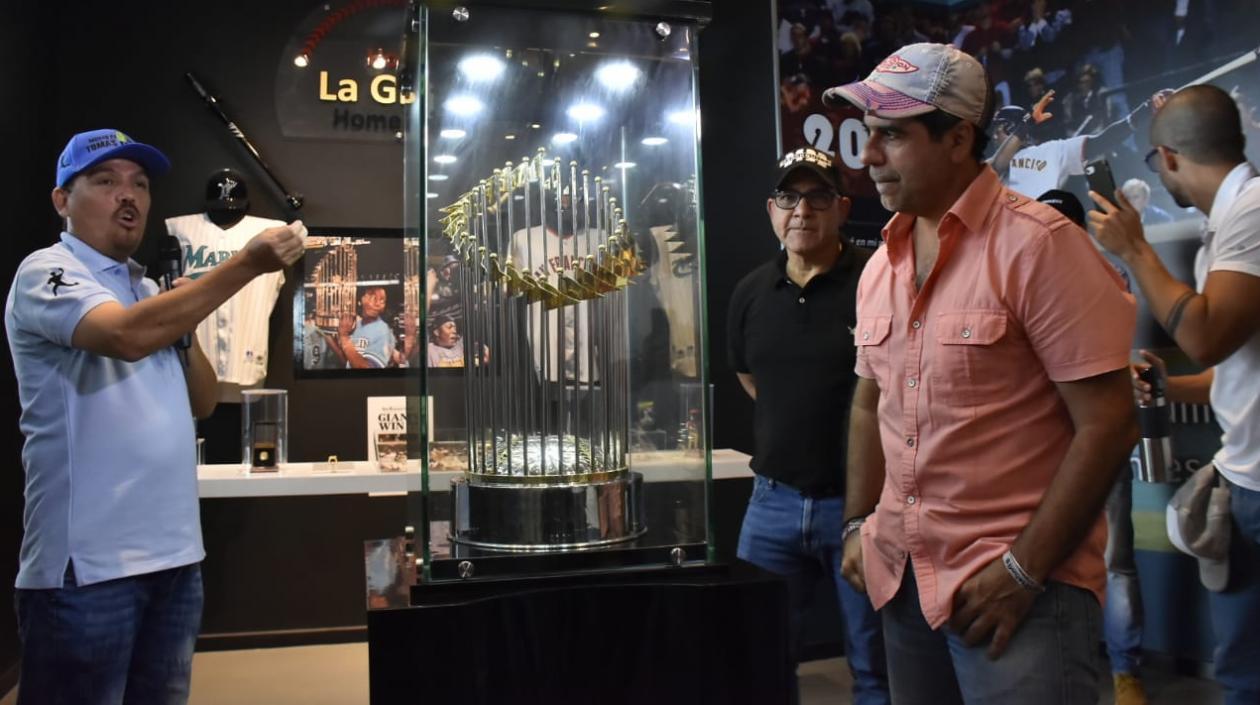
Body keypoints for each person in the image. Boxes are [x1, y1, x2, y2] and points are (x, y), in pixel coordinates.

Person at [824, 43, 1138, 704]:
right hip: (904, 578)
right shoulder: (882, 263)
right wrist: (858, 522)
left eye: (891, 136)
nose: (868, 156)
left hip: (1022, 594)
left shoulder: (1041, 246)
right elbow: (868, 400)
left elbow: (1109, 422)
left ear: (958, 136)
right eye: (868, 135)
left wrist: (1022, 569)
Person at [5, 128, 305, 703]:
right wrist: (245, 266)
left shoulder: (150, 290)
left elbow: (202, 402)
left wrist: (184, 325)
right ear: (61, 200)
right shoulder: (46, 271)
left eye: (140, 184)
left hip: (175, 561)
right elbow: (123, 336)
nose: (130, 195)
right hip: (88, 568)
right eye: (105, 180)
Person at [1088, 84, 1260, 705]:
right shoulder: (1234, 220)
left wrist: (1133, 248)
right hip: (1246, 478)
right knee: (1243, 667)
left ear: (1167, 158)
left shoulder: (1253, 211)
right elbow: (1235, 367)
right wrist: (1166, 385)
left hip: (1258, 486)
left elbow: (1208, 335)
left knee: (1245, 675)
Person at [727, 146, 888, 705]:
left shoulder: (877, 281)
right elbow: (750, 378)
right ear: (771, 209)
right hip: (771, 504)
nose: (802, 211)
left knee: (875, 665)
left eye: (818, 197)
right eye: (788, 198)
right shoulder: (751, 292)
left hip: (861, 506)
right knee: (760, 658)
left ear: (842, 207)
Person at [1038, 187, 1147, 705]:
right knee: (1050, 561)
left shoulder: (1108, 276)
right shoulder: (1022, 276)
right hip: (1040, 447)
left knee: (1115, 560)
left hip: (1097, 440)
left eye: (1063, 228)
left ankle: (1125, 674)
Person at [327, 285, 400, 369]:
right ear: (361, 300)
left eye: (382, 301)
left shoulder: (383, 331)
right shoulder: (355, 325)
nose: (377, 304)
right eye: (372, 298)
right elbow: (349, 361)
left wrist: (344, 337)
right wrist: (329, 337)